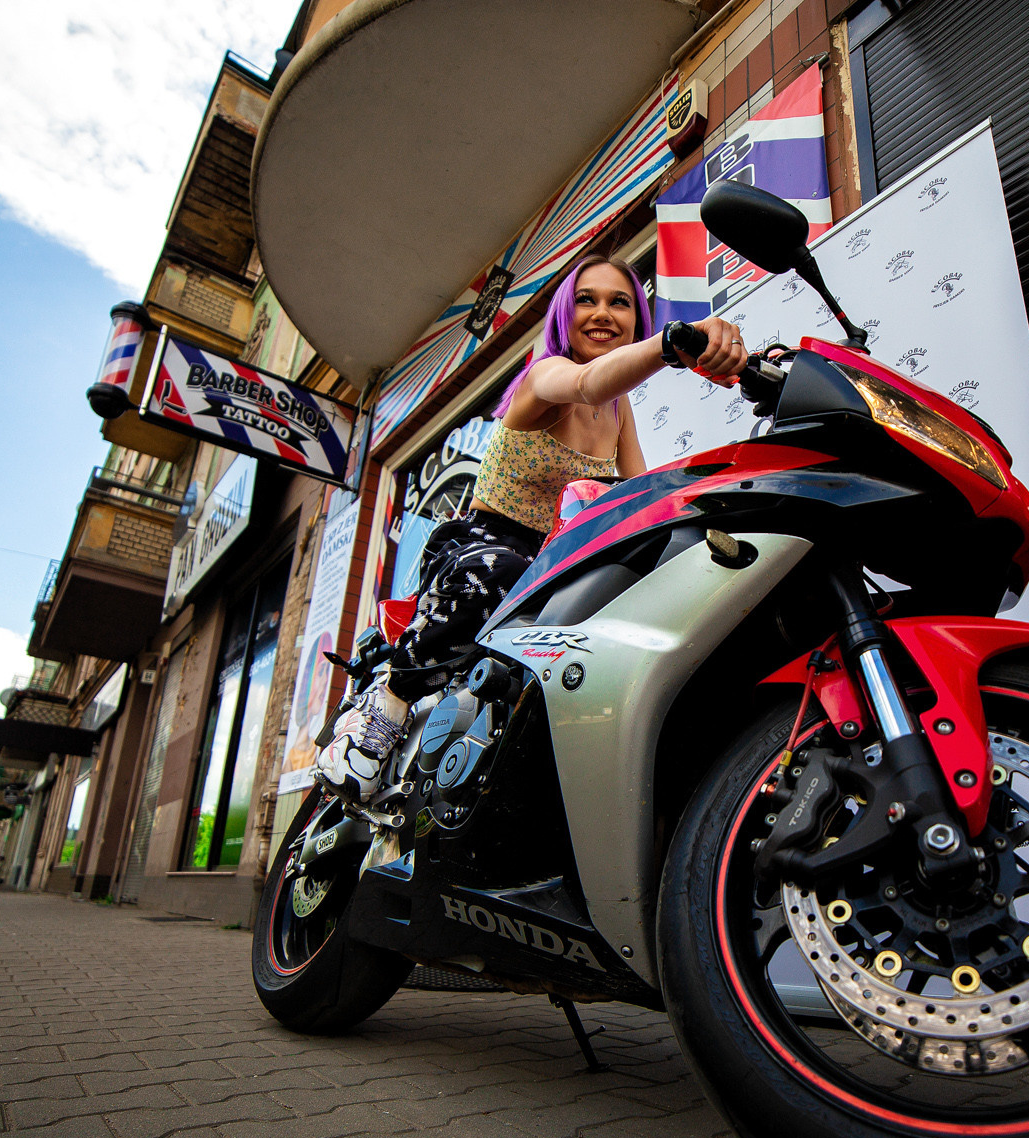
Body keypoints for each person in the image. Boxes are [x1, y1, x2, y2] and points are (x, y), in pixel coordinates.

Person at [317, 252, 750, 801]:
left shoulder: (620, 412)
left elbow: (640, 496)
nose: (603, 313)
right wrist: (674, 343)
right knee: (506, 571)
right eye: (586, 300)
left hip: (558, 564)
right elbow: (589, 382)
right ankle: (390, 701)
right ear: (564, 314)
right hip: (490, 550)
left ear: (635, 316)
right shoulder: (547, 375)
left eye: (620, 302)